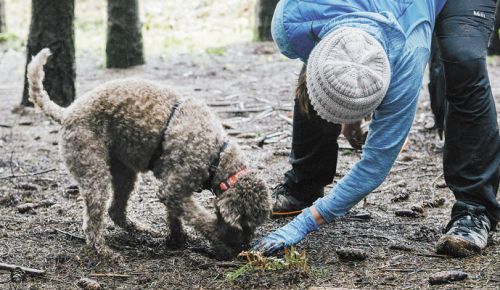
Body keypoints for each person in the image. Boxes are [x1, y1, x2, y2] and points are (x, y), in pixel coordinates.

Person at [257, 0, 500, 257]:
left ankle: (474, 208)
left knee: (464, 60)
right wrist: (352, 97)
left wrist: (305, 223)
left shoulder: (408, 53)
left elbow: (375, 165)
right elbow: (336, 61)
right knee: (325, 76)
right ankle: (304, 182)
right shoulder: (291, 19)